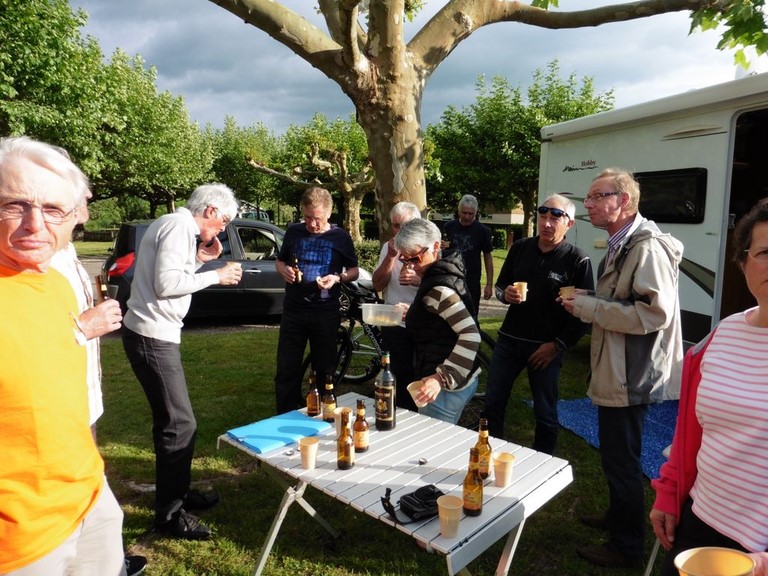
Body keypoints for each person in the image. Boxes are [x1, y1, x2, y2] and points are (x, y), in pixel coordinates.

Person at [0, 135, 126, 575]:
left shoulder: (53, 282)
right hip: (20, 539)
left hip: (89, 496)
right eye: (14, 205)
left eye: (53, 209)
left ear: (75, 217)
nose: (34, 224)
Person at [562, 168, 684, 568]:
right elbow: (624, 298)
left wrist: (588, 307)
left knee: (623, 462)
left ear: (624, 201)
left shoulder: (645, 248)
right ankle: (618, 517)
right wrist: (591, 296)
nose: (588, 205)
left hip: (632, 373)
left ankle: (627, 547)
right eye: (588, 198)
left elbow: (654, 314)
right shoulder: (623, 244)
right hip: (620, 369)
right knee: (616, 455)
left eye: (597, 196)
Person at [649, 198, 768, 576]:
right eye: (765, 253)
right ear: (743, 264)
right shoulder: (723, 335)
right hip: (700, 523)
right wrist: (669, 493)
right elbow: (691, 429)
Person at [122, 183, 243, 540]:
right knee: (179, 426)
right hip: (152, 336)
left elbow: (169, 274)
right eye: (224, 221)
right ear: (210, 211)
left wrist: (199, 260)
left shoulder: (171, 224)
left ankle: (178, 493)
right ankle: (170, 516)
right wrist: (216, 275)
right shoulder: (178, 226)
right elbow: (166, 284)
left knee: (173, 423)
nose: (222, 229)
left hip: (152, 334)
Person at [50, 189, 147, 575]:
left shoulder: (65, 249)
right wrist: (80, 328)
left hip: (82, 397)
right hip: (54, 410)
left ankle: (107, 561)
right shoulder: (27, 259)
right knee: (70, 505)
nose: (87, 207)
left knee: (97, 505)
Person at [483, 194, 593, 454]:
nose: (546, 224)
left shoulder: (577, 259)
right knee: (492, 402)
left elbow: (584, 314)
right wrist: (505, 295)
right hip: (510, 341)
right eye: (543, 217)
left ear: (570, 224)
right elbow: (500, 287)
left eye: (555, 219)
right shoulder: (520, 248)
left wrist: (556, 346)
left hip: (545, 348)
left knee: (545, 412)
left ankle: (542, 461)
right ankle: (487, 454)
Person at [274, 186, 359, 414]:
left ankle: (323, 414)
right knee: (287, 367)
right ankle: (284, 414)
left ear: (329, 213)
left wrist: (337, 277)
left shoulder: (340, 237)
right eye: (307, 217)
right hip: (294, 310)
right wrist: (283, 270)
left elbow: (354, 271)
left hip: (325, 311)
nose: (312, 224)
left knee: (325, 368)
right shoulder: (294, 232)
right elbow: (280, 261)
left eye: (317, 219)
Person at [395, 218, 481, 424]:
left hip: (443, 390)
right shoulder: (446, 270)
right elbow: (442, 318)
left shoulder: (439, 288)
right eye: (404, 259)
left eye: (415, 258)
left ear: (435, 247)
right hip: (463, 378)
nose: (410, 266)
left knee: (433, 443)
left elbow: (471, 335)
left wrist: (440, 378)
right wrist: (414, 312)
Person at [371, 201, 422, 410]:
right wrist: (390, 258)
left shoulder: (429, 247)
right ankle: (398, 415)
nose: (399, 231)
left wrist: (419, 280)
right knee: (397, 377)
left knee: (420, 376)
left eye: (405, 226)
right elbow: (377, 285)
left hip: (422, 323)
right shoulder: (388, 247)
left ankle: (421, 417)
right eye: (395, 226)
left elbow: (441, 285)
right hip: (394, 323)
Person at [441, 194, 494, 317]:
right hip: (450, 278)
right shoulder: (449, 227)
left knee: (471, 315)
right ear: (459, 211)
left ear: (476, 213)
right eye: (464, 213)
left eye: (471, 214)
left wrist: (489, 284)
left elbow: (488, 257)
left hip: (472, 281)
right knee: (449, 314)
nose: (467, 217)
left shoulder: (483, 231)